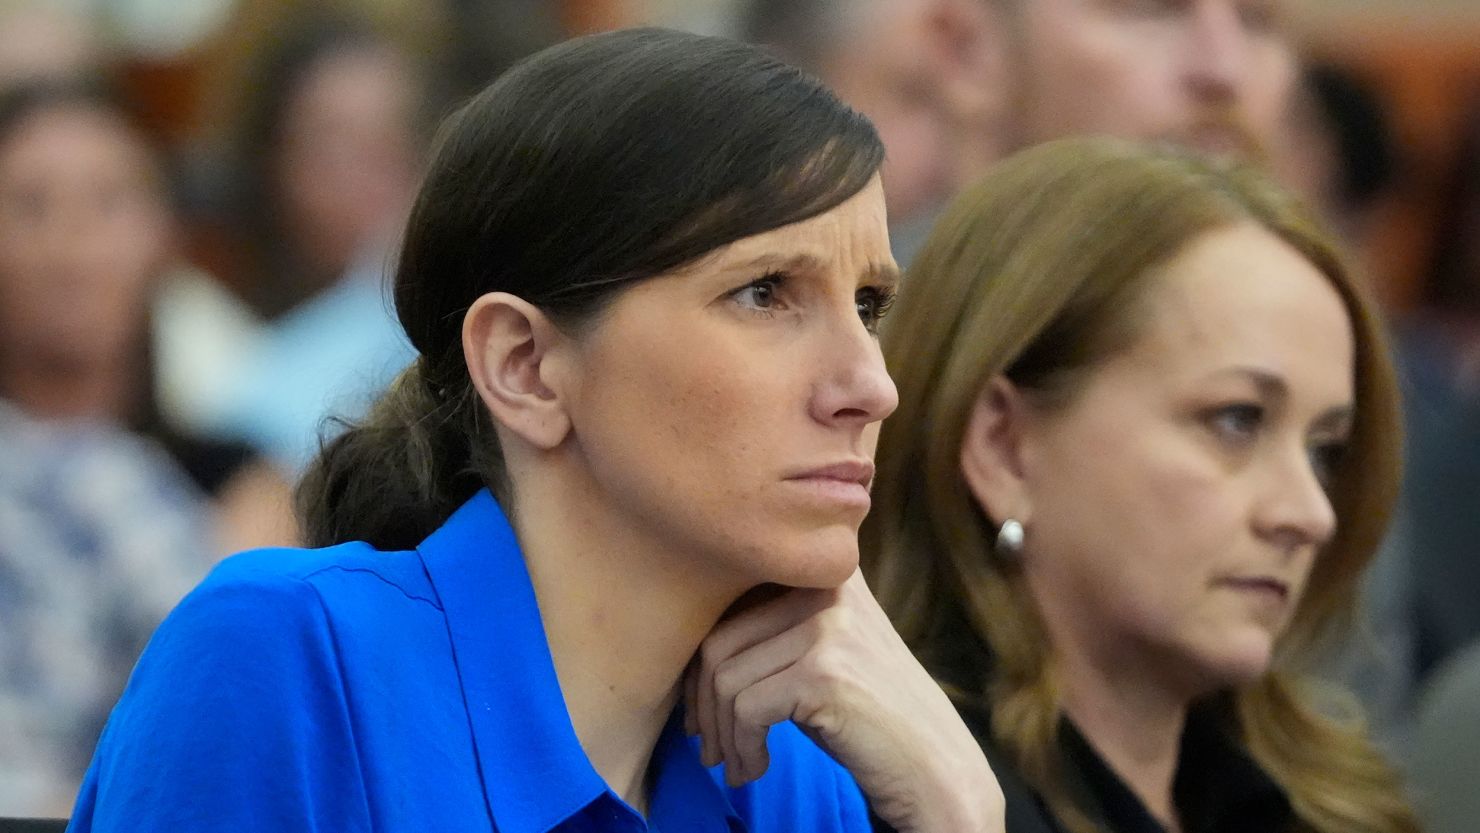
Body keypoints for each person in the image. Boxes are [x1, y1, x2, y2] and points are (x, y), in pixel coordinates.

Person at [69, 28, 1003, 832]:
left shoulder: (795, 769)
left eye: (870, 304)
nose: (870, 386)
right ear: (522, 365)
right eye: (764, 292)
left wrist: (962, 810)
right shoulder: (289, 663)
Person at [862, 137, 1418, 833]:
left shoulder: (1326, 806)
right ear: (1005, 448)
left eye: (1325, 451)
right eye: (1237, 420)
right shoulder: (886, 801)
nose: (1310, 515)